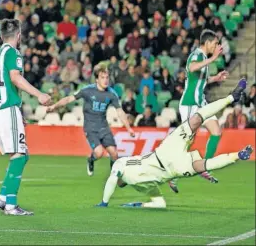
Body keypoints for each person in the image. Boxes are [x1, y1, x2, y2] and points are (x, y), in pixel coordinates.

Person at [96, 79, 251, 209]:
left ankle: (231, 98)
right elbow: (160, 204)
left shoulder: (120, 164)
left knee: (196, 121)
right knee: (204, 165)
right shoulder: (142, 187)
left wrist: (104, 202)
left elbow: (111, 181)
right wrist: (138, 205)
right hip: (173, 168)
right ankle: (238, 155)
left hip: (165, 153)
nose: (119, 183)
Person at [0, 19, 51, 216]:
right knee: (19, 156)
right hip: (7, 109)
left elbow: (8, 83)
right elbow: (15, 78)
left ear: (1, 36)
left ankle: (2, 198)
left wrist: (19, 112)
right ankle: (11, 205)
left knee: (21, 155)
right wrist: (39, 94)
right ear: (18, 35)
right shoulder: (13, 53)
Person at [47, 63, 135, 176]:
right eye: (102, 77)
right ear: (97, 79)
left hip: (104, 127)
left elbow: (120, 111)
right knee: (99, 153)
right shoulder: (87, 91)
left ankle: (113, 176)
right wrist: (54, 106)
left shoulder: (112, 94)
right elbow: (69, 99)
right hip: (90, 128)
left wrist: (128, 128)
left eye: (107, 77)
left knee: (114, 153)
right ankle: (91, 160)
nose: (105, 80)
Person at [171, 30, 229, 193]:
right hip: (190, 103)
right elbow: (191, 67)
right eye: (215, 43)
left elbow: (200, 80)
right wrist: (213, 59)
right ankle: (172, 175)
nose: (217, 46)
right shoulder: (196, 55)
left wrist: (215, 78)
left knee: (216, 131)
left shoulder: (204, 58)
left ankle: (204, 166)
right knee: (186, 142)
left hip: (200, 103)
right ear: (208, 43)